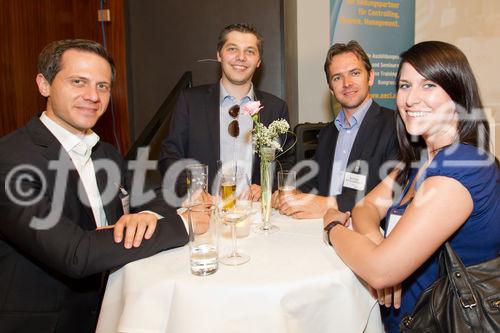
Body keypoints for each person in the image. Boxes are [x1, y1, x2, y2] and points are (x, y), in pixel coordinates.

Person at [0, 39, 192, 333]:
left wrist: (146, 217)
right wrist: (184, 225)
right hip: (44, 322)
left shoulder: (105, 152)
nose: (93, 96)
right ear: (44, 84)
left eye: (102, 86)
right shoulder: (11, 159)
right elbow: (76, 254)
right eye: (78, 82)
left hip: (107, 312)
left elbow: (154, 198)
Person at [323, 41, 500, 333]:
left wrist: (333, 229)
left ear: (457, 94)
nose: (411, 99)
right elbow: (364, 207)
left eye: (428, 85)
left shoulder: (464, 166)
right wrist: (379, 245)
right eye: (405, 86)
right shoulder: (416, 162)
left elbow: (380, 271)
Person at [158, 23, 291, 200]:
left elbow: (286, 163)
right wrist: (194, 191)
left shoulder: (276, 108)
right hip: (205, 214)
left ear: (258, 61)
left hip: (255, 215)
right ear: (219, 55)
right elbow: (169, 157)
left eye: (250, 51)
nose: (241, 57)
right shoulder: (190, 102)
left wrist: (266, 188)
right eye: (232, 49)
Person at [275, 40, 398, 219]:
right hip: (322, 227)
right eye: (337, 77)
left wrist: (326, 205)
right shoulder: (327, 133)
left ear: (370, 77)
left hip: (369, 234)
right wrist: (288, 194)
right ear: (331, 88)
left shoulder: (395, 126)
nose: (347, 83)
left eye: (354, 73)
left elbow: (393, 193)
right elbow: (314, 181)